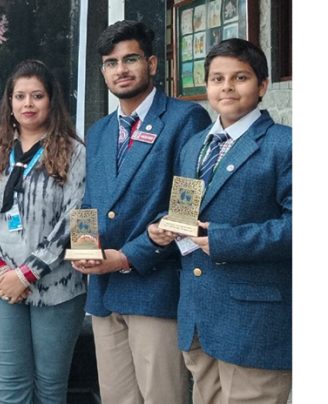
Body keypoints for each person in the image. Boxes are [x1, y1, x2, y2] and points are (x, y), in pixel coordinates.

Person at [71, 20, 211, 404]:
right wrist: (83, 248)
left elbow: (186, 205)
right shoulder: (99, 130)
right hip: (103, 290)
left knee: (161, 397)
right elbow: (91, 200)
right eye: (111, 63)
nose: (121, 69)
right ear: (102, 71)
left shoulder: (186, 119)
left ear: (151, 63)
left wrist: (126, 257)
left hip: (154, 285)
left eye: (130, 59)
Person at [148, 38, 292, 403]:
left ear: (262, 86)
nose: (226, 87)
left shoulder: (285, 145)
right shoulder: (194, 145)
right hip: (199, 321)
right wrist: (165, 226)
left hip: (255, 326)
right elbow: (187, 211)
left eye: (240, 77)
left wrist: (226, 240)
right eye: (216, 78)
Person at [0, 59, 86, 403]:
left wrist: (27, 274)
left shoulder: (73, 152)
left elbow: (73, 218)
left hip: (57, 288)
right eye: (20, 96)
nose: (28, 104)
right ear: (10, 102)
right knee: (10, 389)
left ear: (51, 101)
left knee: (50, 391)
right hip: (0, 287)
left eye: (37, 96)